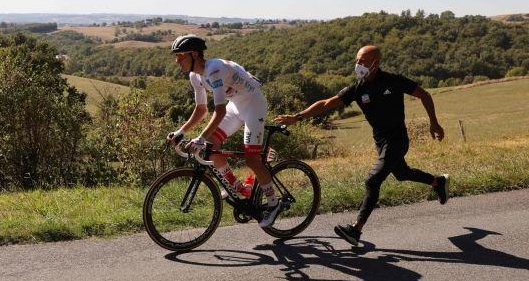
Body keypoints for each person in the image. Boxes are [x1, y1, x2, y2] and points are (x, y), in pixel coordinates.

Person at [274, 45, 450, 246]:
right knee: (401, 173)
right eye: (357, 60)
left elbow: (424, 94)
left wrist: (434, 122)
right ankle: (438, 182)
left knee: (372, 181)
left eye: (363, 61)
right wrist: (297, 118)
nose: (358, 64)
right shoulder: (357, 89)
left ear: (376, 63)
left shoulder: (393, 81)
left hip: (398, 141)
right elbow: (326, 104)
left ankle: (356, 230)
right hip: (381, 142)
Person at [167, 34, 282, 227]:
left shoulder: (214, 70)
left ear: (194, 54)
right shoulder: (195, 76)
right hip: (236, 105)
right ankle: (237, 187)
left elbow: (219, 111)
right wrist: (182, 131)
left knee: (251, 159)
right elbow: (201, 109)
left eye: (180, 57)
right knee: (213, 141)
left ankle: (273, 204)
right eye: (176, 57)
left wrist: (200, 138)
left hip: (253, 104)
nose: (177, 61)